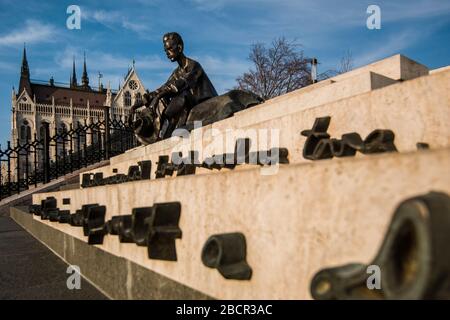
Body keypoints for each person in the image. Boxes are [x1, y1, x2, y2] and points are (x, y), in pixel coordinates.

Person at [135, 32, 218, 139]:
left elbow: (181, 84)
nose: (167, 53)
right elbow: (163, 88)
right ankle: (162, 134)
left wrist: (158, 97)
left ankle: (165, 134)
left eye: (169, 48)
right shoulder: (176, 72)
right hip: (192, 105)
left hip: (206, 103)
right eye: (165, 50)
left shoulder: (194, 66)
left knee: (182, 95)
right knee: (166, 99)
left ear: (179, 48)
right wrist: (141, 102)